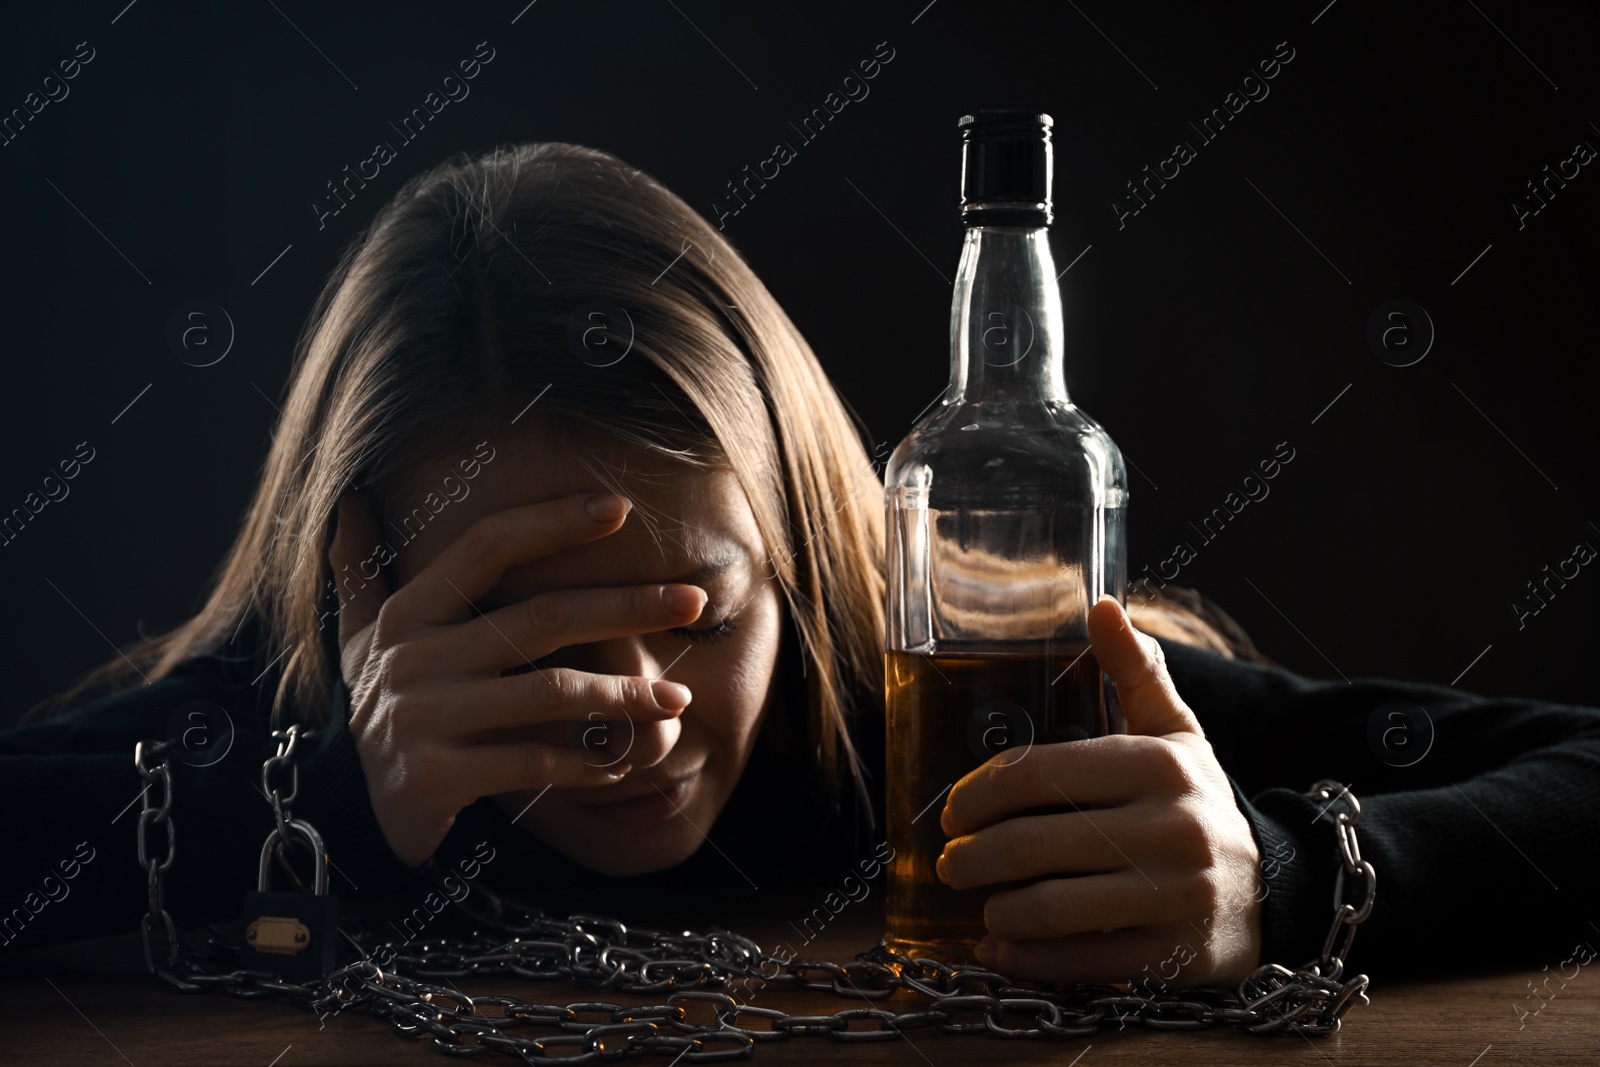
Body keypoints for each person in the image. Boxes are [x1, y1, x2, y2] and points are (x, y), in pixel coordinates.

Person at [4, 143, 1596, 996]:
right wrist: (337, 794)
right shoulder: (282, 724)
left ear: (808, 546)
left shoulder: (955, 693)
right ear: (365, 580)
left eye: (701, 612)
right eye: (532, 630)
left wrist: (1282, 881)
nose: (641, 720)